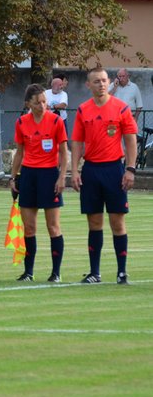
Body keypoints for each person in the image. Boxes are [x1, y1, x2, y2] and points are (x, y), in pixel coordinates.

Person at [70, 66, 137, 284]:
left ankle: (122, 272)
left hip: (114, 169)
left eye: (104, 80)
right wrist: (74, 170)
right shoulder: (83, 110)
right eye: (96, 81)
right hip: (91, 170)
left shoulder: (121, 108)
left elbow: (130, 140)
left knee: (117, 222)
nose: (101, 84)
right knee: (94, 222)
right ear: (88, 85)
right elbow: (77, 142)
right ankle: (95, 272)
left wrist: (130, 169)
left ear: (109, 82)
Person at [10, 84, 69, 283]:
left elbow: (63, 152)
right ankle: (28, 272)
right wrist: (13, 176)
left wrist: (62, 177)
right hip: (28, 175)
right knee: (29, 228)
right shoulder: (21, 122)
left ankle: (56, 273)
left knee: (53, 226)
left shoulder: (56, 121)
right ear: (28, 104)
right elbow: (19, 152)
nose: (43, 105)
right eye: (38, 102)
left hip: (49, 175)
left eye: (44, 101)